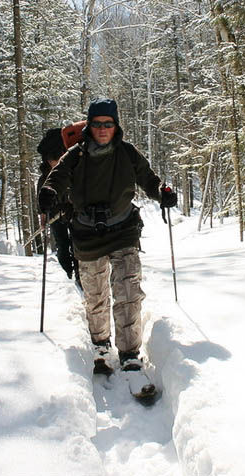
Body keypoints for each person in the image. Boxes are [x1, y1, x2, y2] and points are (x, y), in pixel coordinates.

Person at [38, 98, 177, 375]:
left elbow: (148, 178)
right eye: (97, 124)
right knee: (96, 295)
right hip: (87, 235)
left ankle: (129, 353)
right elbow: (57, 177)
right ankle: (101, 345)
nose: (103, 129)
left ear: (115, 126)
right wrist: (49, 192)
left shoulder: (127, 152)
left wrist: (161, 192)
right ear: (90, 126)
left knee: (128, 291)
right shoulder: (75, 155)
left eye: (108, 124)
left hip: (124, 230)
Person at [35, 121, 85, 283]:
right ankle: (69, 275)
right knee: (62, 249)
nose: (55, 163)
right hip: (56, 215)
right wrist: (43, 214)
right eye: (52, 160)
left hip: (74, 213)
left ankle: (80, 276)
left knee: (78, 245)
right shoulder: (45, 176)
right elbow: (41, 196)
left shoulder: (73, 166)